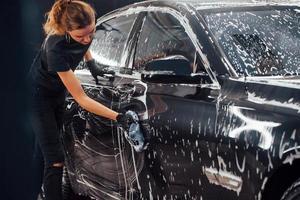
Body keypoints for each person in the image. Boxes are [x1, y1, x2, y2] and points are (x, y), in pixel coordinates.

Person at [27, 1, 137, 199]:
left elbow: (83, 44)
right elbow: (81, 98)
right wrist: (118, 117)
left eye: (92, 32)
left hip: (57, 94)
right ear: (66, 31)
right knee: (55, 159)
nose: (87, 39)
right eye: (80, 36)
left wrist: (92, 63)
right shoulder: (55, 48)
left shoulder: (83, 33)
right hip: (37, 97)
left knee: (42, 149)